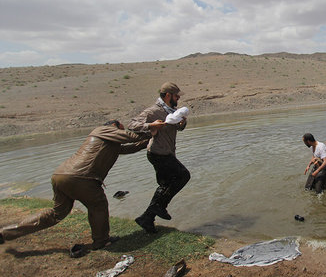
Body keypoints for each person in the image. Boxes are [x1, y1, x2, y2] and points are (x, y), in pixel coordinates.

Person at [0, 121, 149, 249]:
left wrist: (150, 141)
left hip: (61, 176)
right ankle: (101, 241)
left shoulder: (108, 143)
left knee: (57, 213)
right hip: (80, 178)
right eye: (120, 128)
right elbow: (130, 137)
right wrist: (153, 130)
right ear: (113, 126)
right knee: (98, 205)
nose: (121, 131)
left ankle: (6, 233)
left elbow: (131, 147)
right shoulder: (103, 129)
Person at [128, 82, 190, 233]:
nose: (178, 99)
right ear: (168, 95)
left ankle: (147, 219)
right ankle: (159, 207)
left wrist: (182, 123)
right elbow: (132, 124)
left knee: (164, 185)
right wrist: (151, 125)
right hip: (158, 153)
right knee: (183, 176)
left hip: (166, 152)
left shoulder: (172, 111)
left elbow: (175, 128)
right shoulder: (153, 111)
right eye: (176, 96)